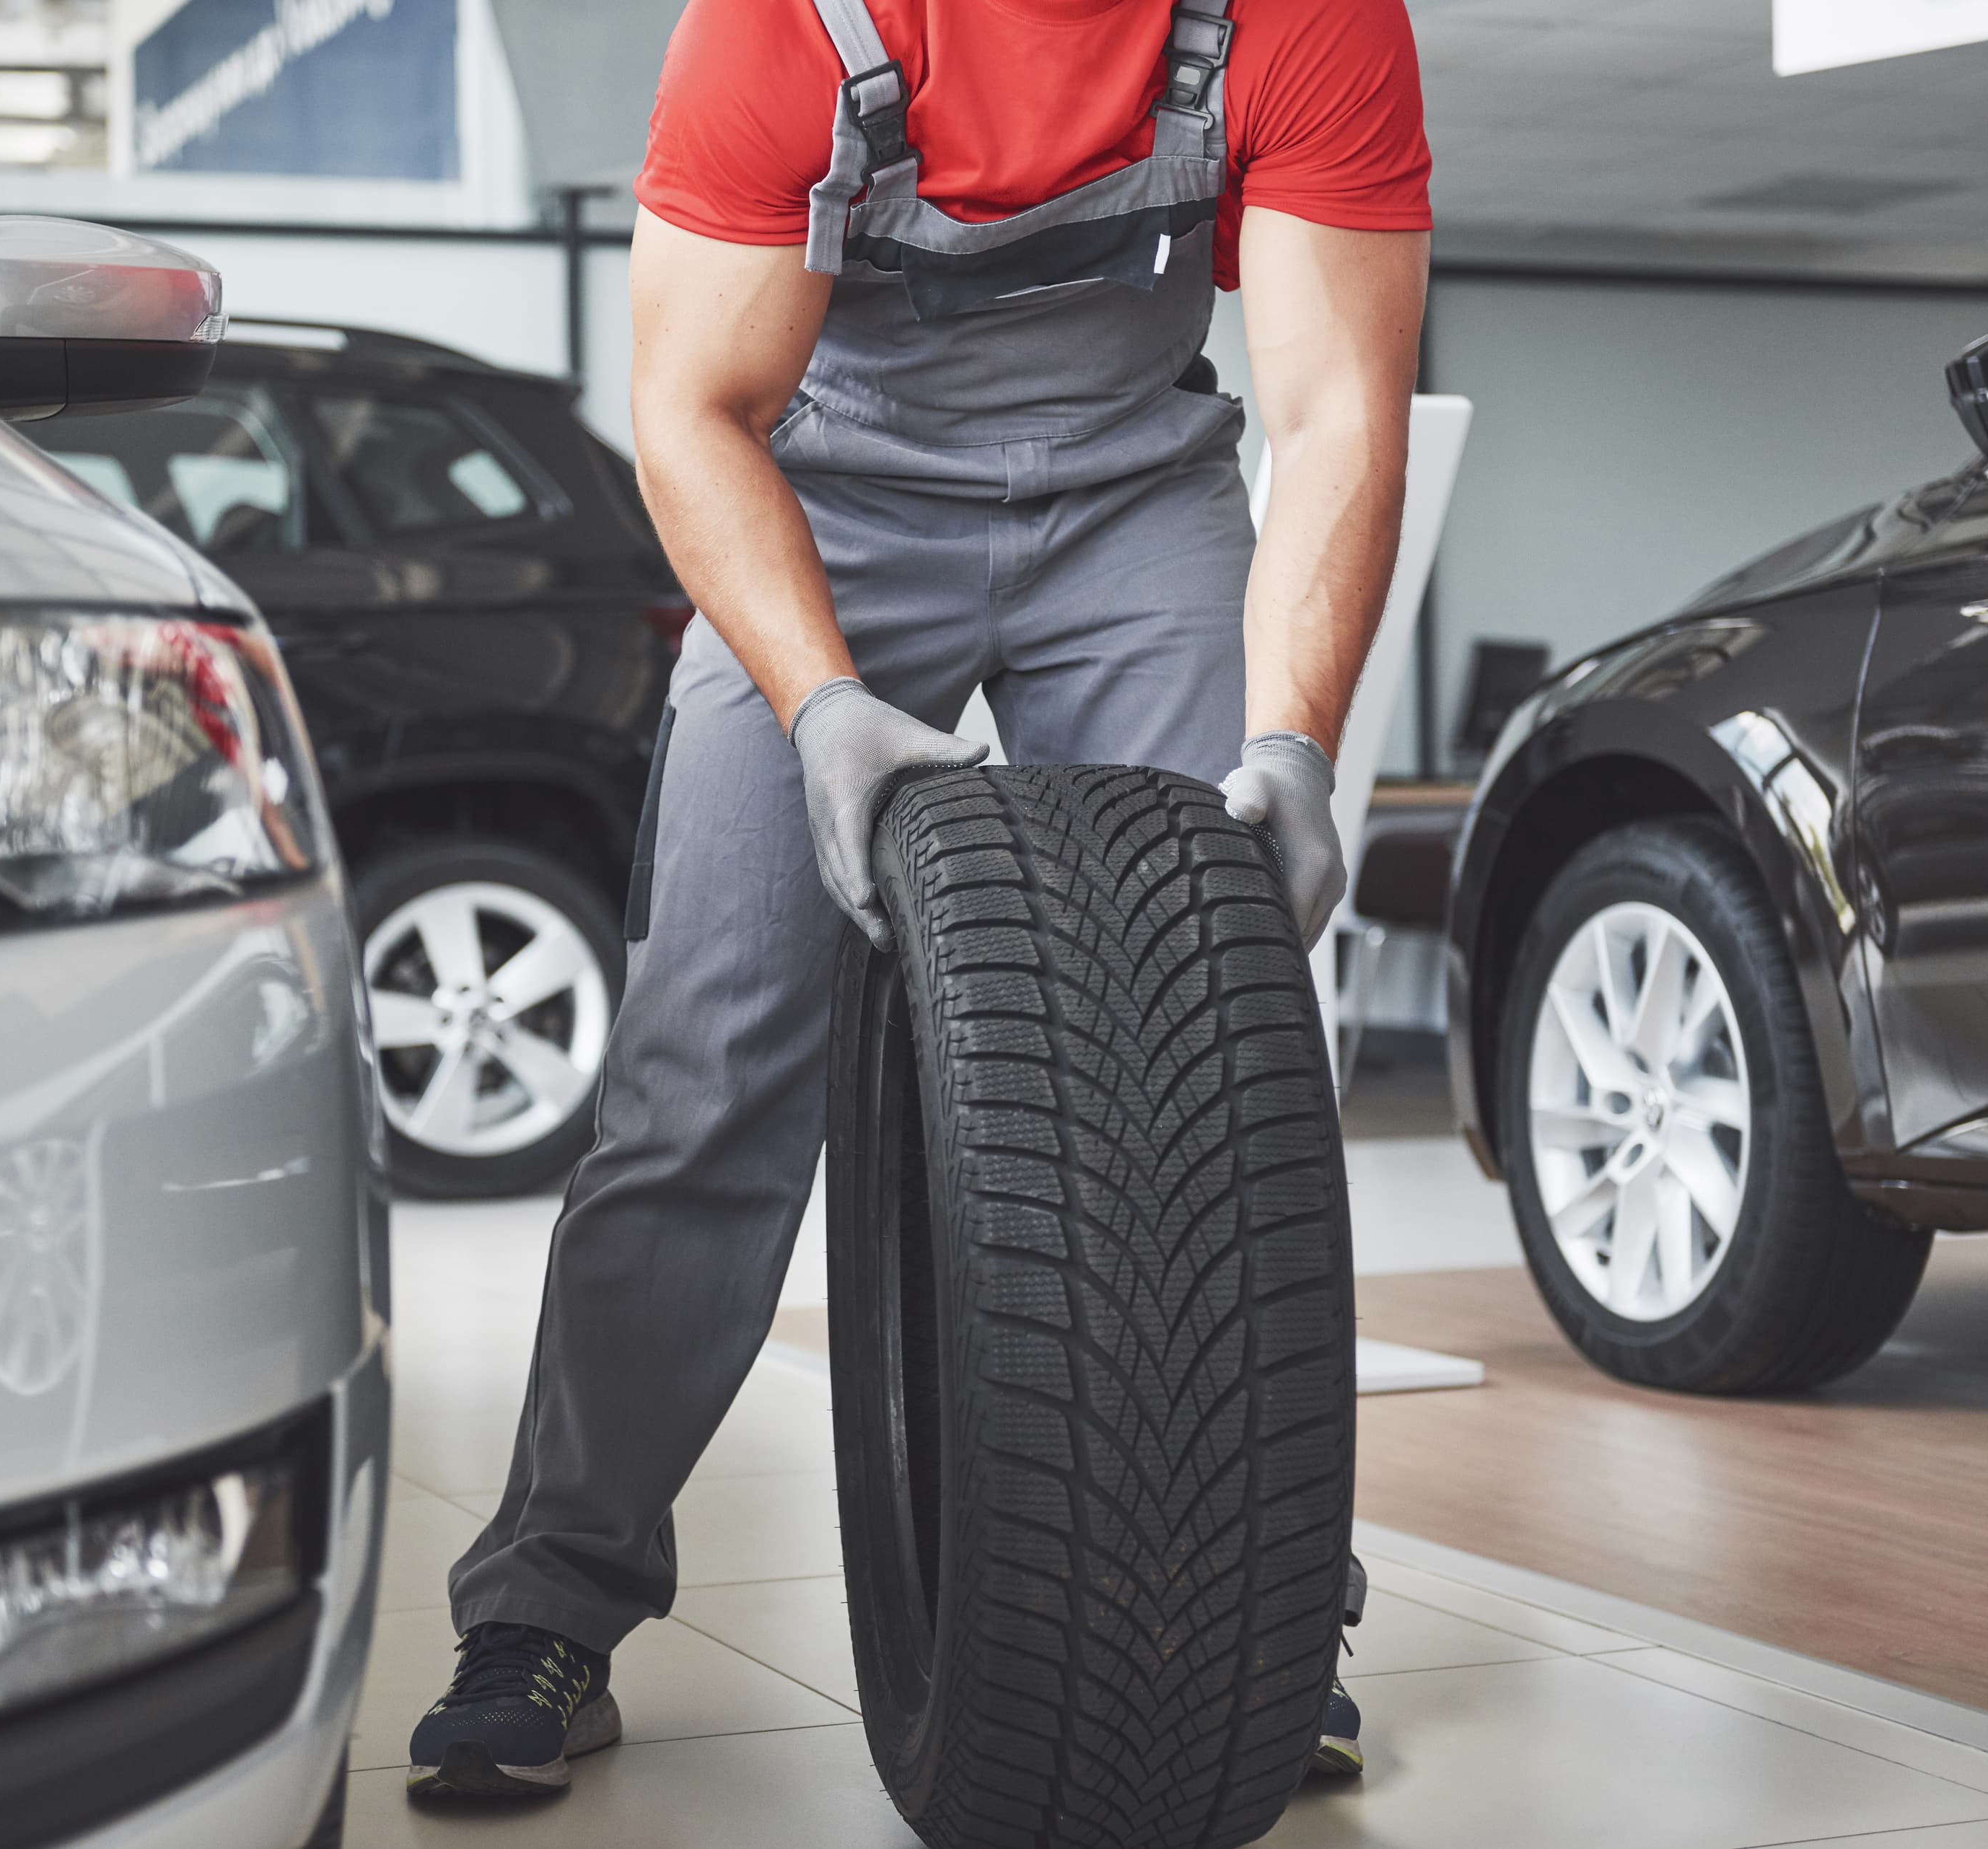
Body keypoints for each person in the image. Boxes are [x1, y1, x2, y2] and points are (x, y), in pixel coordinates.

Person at [406, 0, 1429, 1802]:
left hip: (1140, 504)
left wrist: (1293, 742)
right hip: (823, 500)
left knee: (1221, 1065)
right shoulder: (788, 25)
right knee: (703, 1071)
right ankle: (547, 1603)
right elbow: (693, 408)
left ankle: (1263, 1613)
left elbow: (1335, 404)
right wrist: (814, 706)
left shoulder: (1307, 18)